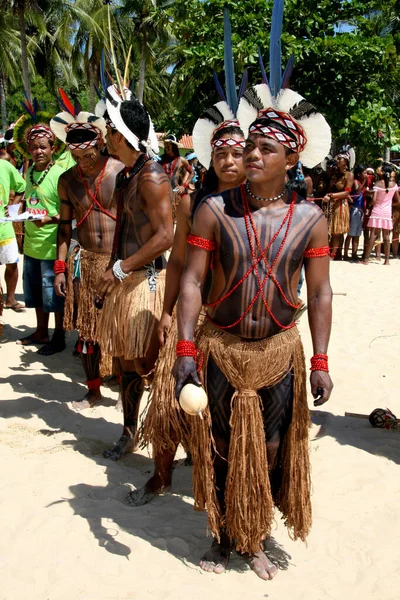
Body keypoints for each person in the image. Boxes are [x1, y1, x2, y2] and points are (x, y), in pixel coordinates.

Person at [173, 74, 333, 579]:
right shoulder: (214, 211)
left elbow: (322, 292)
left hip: (279, 352)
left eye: (266, 149)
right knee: (220, 443)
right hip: (222, 348)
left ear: (292, 160)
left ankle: (256, 531)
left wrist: (322, 360)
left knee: (271, 446)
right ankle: (222, 534)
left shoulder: (311, 219)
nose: (252, 156)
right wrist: (184, 348)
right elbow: (193, 283)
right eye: (251, 148)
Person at [134, 96, 248, 505]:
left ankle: (217, 477)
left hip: (235, 324)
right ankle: (161, 475)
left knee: (226, 412)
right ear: (209, 157)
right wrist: (165, 313)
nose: (229, 161)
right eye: (221, 153)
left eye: (238, 152)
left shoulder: (262, 208)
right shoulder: (191, 200)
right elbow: (179, 263)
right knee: (168, 399)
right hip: (190, 314)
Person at [95, 91, 174, 460]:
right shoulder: (128, 174)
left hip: (147, 282)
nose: (105, 136)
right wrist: (112, 275)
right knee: (127, 363)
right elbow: (122, 225)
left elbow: (165, 236)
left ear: (125, 136)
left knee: (150, 364)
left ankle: (172, 437)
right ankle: (129, 431)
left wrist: (121, 268)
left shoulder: (153, 176)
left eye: (110, 130)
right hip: (126, 281)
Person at [51, 96, 123, 408]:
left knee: (122, 330)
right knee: (88, 334)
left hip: (120, 264)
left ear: (100, 143)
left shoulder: (120, 172)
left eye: (88, 152)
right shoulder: (67, 181)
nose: (83, 159)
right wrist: (59, 268)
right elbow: (64, 228)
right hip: (87, 263)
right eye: (75, 153)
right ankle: (93, 391)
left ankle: (124, 385)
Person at [13, 104, 66, 354]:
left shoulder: (60, 174)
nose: (38, 151)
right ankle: (41, 332)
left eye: (43, 147)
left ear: (53, 149)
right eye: (34, 147)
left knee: (54, 295)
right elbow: (32, 200)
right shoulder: (30, 173)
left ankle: (59, 337)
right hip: (32, 245)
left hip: (53, 246)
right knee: (34, 292)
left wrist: (48, 220)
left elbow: (68, 213)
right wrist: (15, 210)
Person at [0, 159, 26, 312]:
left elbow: (22, 187)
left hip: (4, 227)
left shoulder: (5, 166)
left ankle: (10, 299)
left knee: (12, 264)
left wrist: (13, 207)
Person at [363, 163, 400, 265]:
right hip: (387, 212)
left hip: (377, 211)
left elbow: (374, 200)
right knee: (387, 236)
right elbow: (398, 201)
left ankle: (366, 259)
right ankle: (387, 260)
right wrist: (389, 204)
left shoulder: (378, 184)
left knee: (374, 235)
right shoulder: (394, 185)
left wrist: (369, 205)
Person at [323, 146, 354, 260]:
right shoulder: (335, 174)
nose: (337, 161)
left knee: (336, 230)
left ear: (345, 162)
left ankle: (334, 254)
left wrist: (331, 196)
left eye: (339, 159)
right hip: (331, 204)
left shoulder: (349, 175)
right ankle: (329, 251)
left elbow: (346, 193)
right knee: (328, 229)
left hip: (340, 205)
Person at [160, 134, 193, 218]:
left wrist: (184, 186)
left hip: (175, 193)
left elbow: (192, 173)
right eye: (165, 145)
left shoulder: (181, 160)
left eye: (169, 145)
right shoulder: (160, 160)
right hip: (161, 193)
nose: (166, 147)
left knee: (174, 218)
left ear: (174, 146)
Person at [344, 165, 367, 261]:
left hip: (360, 210)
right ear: (359, 174)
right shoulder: (356, 182)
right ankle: (345, 254)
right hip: (354, 209)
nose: (366, 175)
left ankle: (354, 253)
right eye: (364, 173)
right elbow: (357, 192)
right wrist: (364, 182)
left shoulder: (361, 182)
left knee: (357, 234)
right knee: (351, 233)